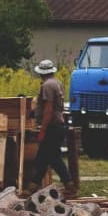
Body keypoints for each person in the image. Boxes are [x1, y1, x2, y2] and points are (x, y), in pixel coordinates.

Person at [25, 59, 77, 197]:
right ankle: (32, 187)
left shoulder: (47, 86)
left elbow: (48, 109)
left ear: (41, 73)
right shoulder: (57, 82)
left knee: (53, 158)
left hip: (51, 127)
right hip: (57, 126)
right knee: (42, 157)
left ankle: (69, 185)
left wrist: (42, 130)